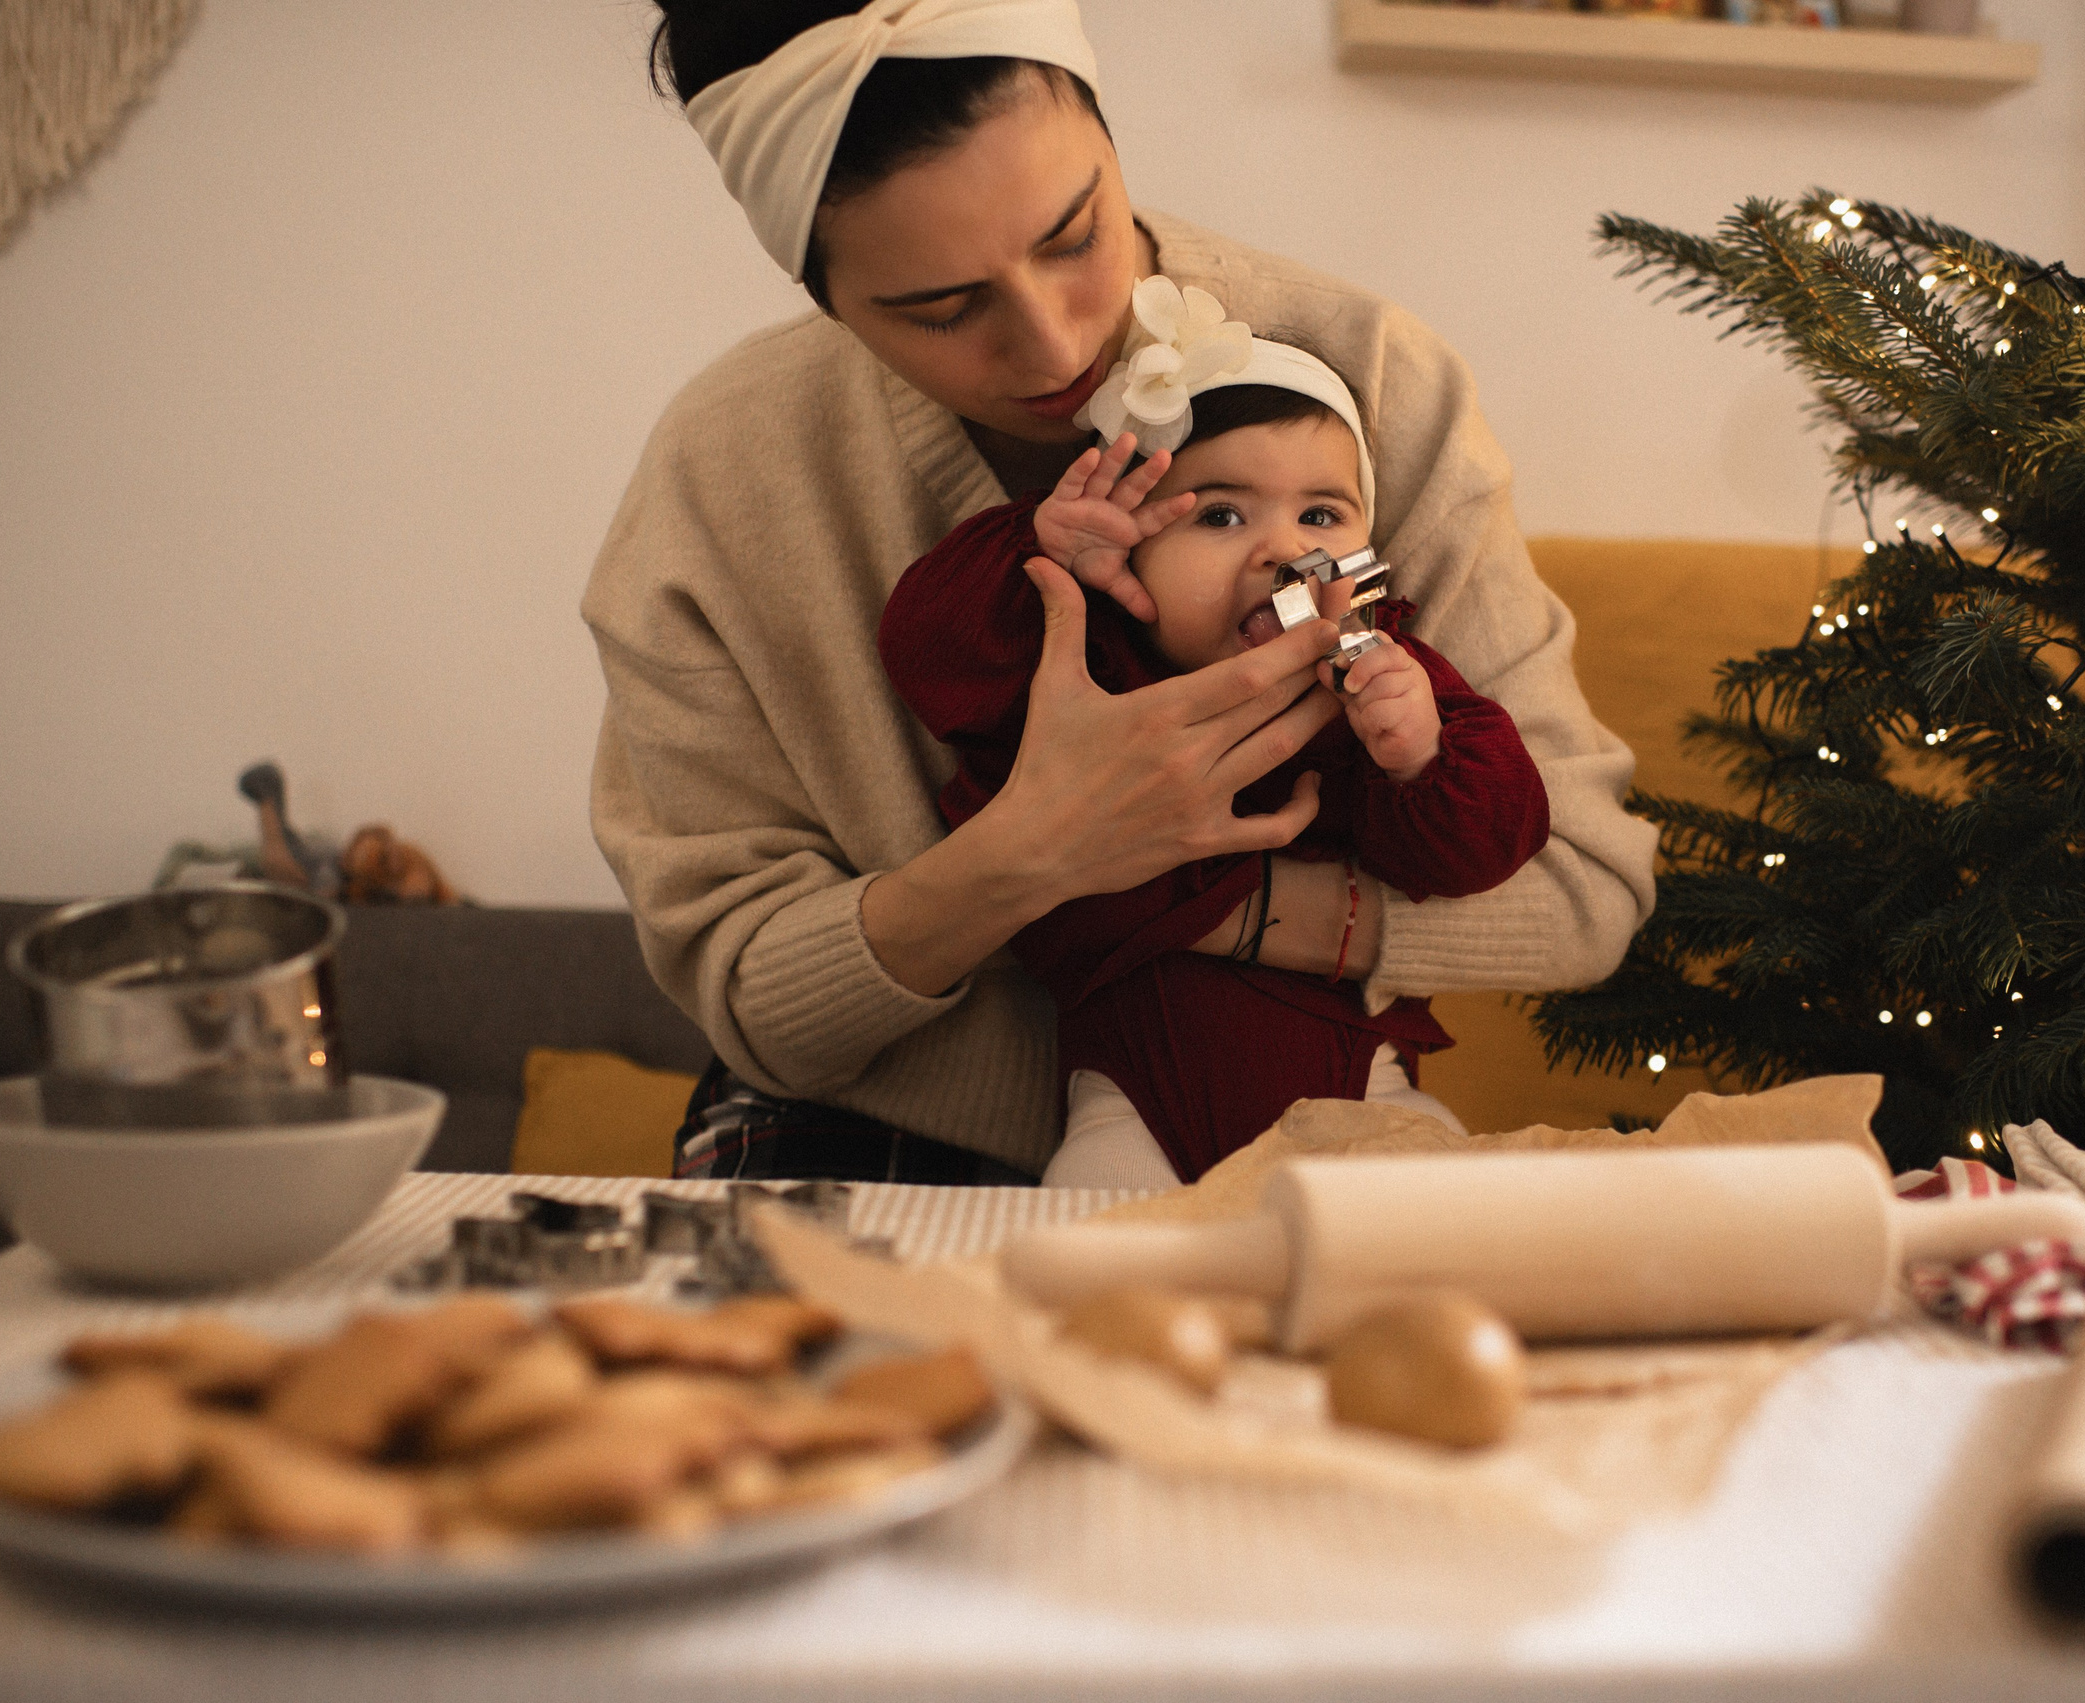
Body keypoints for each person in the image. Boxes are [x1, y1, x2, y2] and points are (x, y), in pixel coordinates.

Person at [587, 0, 1658, 1185]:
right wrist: (1027, 855)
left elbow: (1584, 885)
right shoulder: (725, 474)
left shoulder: (1367, 380)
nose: (1053, 349)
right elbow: (755, 1000)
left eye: (1073, 236)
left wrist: (1197, 909)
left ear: (1105, 129)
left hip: (1298, 1097)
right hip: (861, 1128)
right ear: (820, 292)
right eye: (942, 308)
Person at [880, 301, 1550, 1186]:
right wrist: (1036, 551)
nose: (1283, 552)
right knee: (1101, 1214)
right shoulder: (1087, 663)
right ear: (1129, 552)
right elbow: (929, 653)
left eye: (1322, 517)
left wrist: (1421, 755)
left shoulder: (1385, 673)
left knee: (1449, 1193)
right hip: (1138, 1098)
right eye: (1222, 517)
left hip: (1361, 1086)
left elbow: (1494, 842)